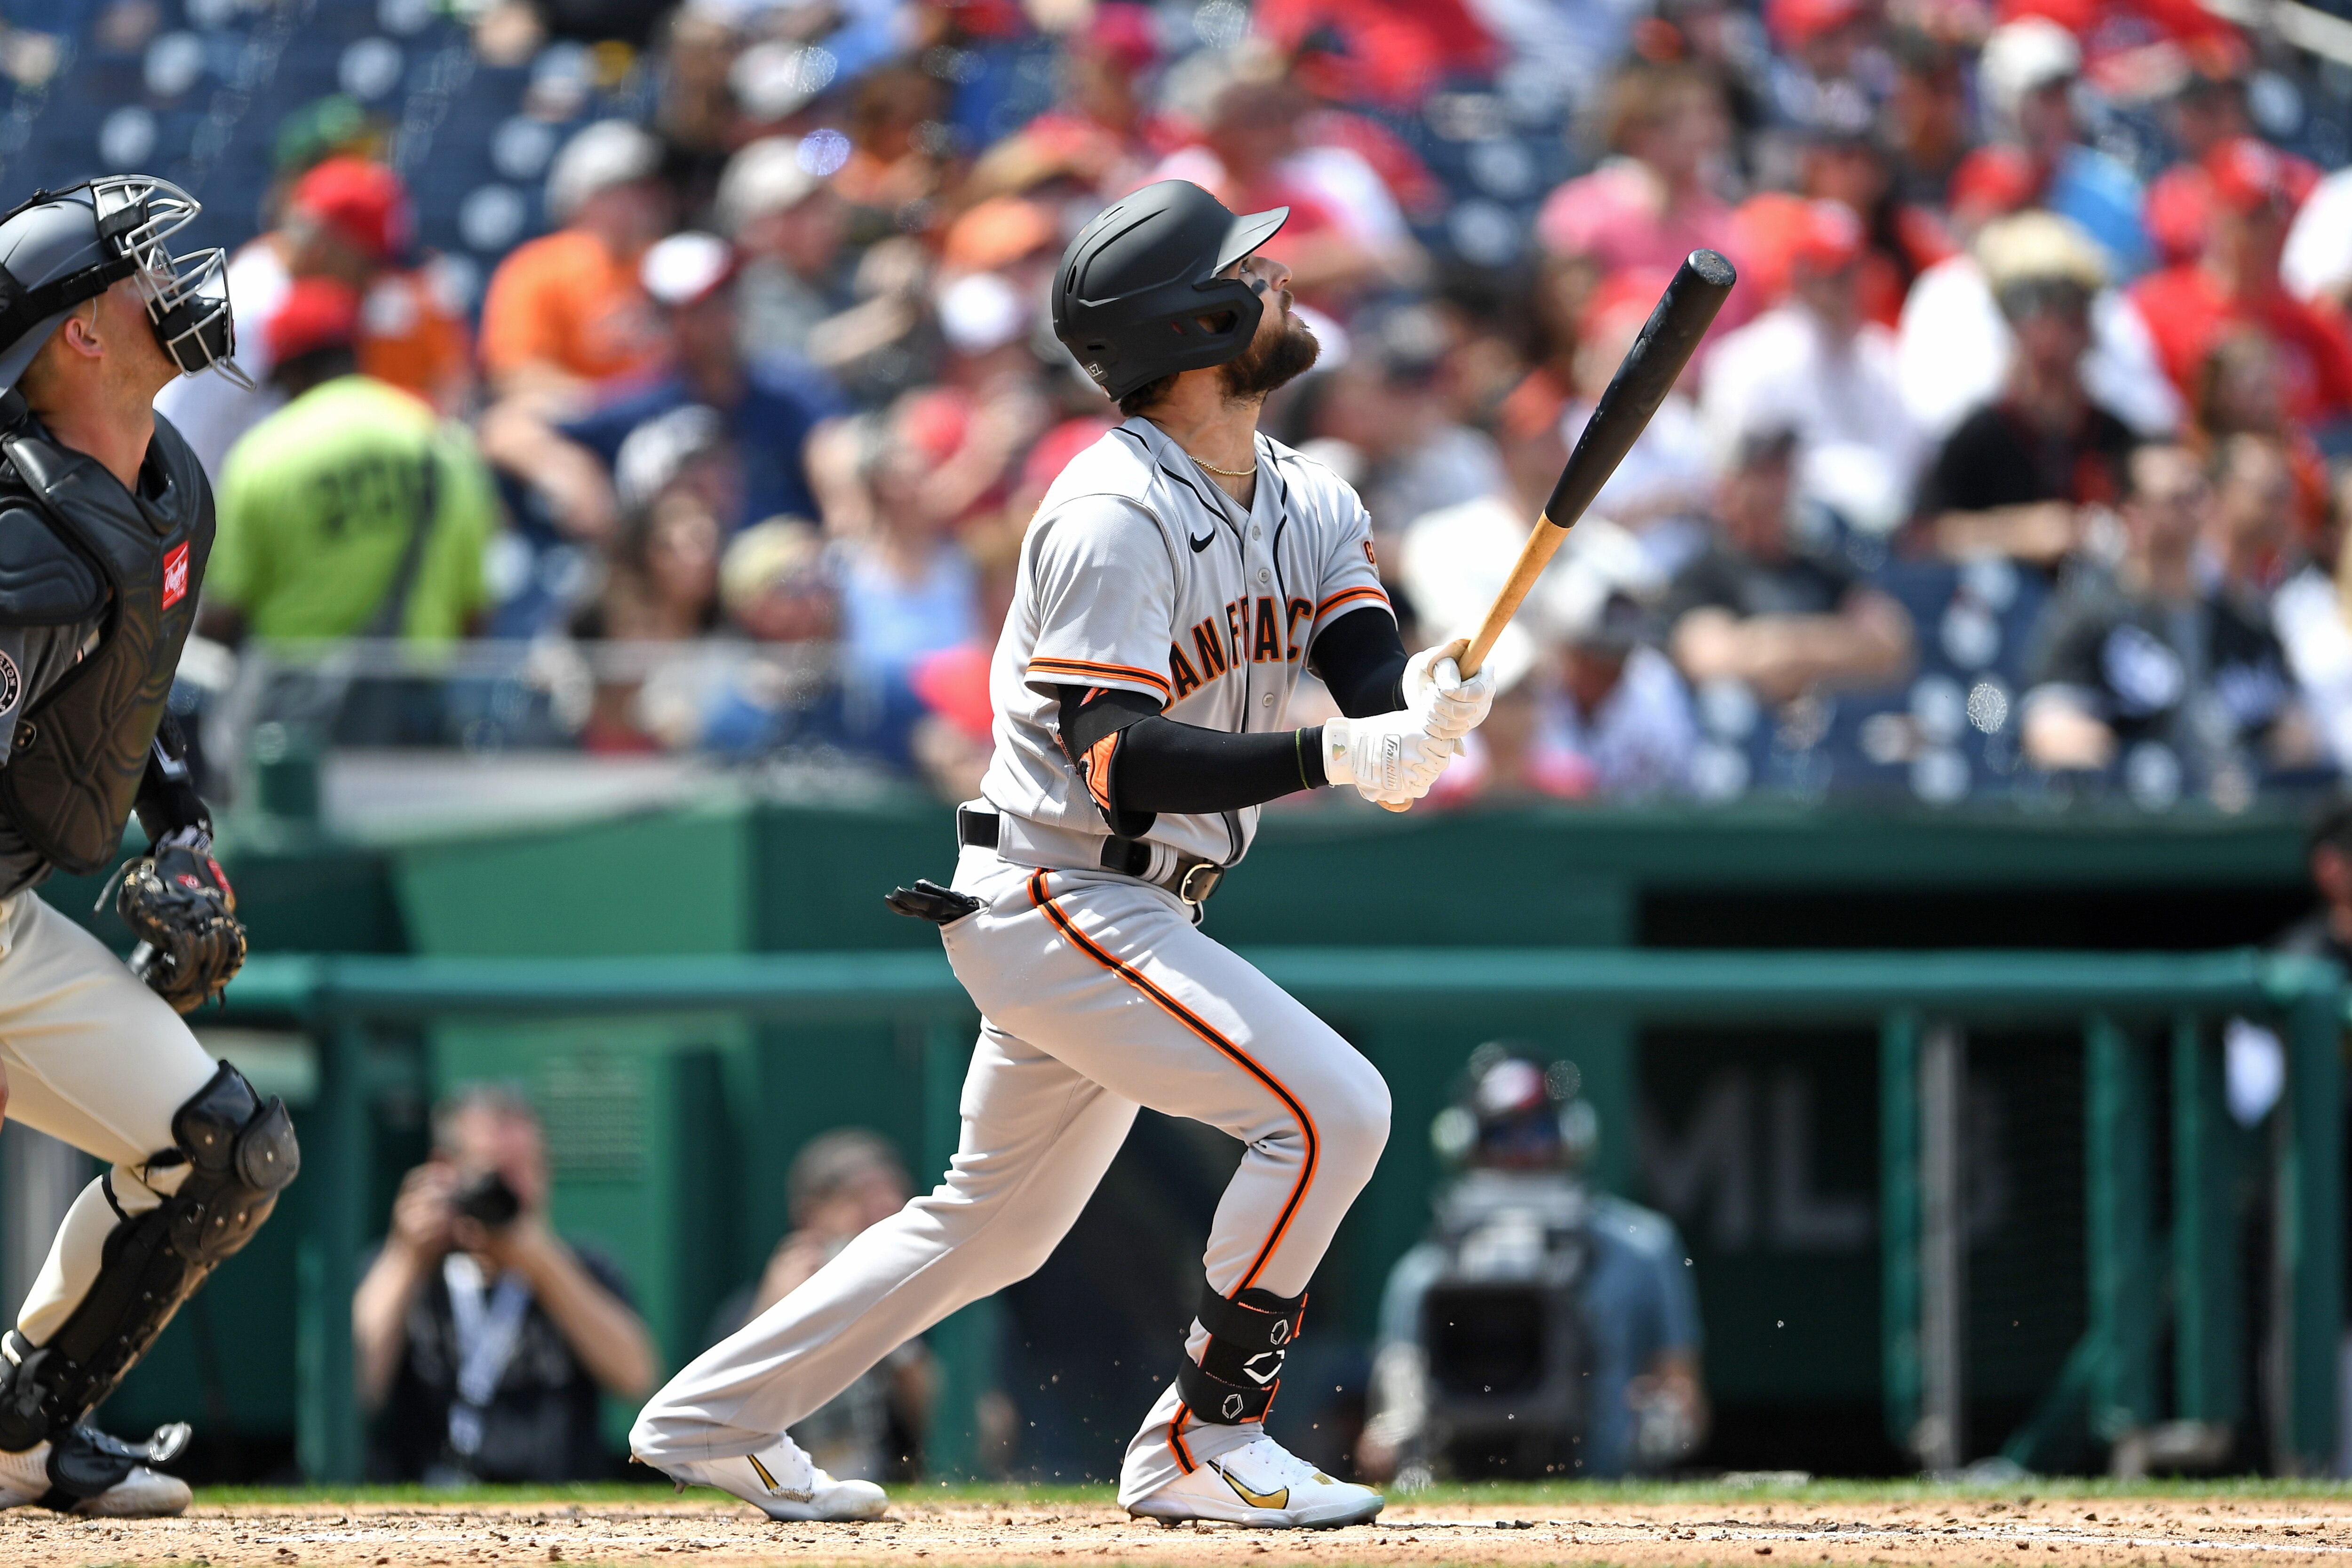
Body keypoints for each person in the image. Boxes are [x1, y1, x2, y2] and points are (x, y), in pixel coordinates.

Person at [628, 181, 1495, 1528]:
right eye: (1249, 271)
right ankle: (1206, 1440)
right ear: (1194, 320)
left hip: (1129, 907)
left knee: (993, 1223)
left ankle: (711, 1416)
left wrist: (1422, 705)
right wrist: (1341, 753)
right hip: (1063, 888)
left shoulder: (1311, 494)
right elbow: (1121, 757)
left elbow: (1369, 689)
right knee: (1335, 1107)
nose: (1281, 279)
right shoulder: (1108, 510)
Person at [0, 176, 294, 1515]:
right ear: (77, 335)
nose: (175, 280)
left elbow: (130, 691)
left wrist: (179, 829)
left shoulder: (158, 480)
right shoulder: (25, 545)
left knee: (225, 1150)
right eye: (140, 268)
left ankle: (23, 1428)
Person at [1356, 1045, 1704, 1480]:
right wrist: (1392, 1436)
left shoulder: (1642, 1247)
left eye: (1538, 1131)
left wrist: (1661, 1419)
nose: (1522, 1152)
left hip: (1607, 1480)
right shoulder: (1425, 1274)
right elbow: (1391, 1419)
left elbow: (1686, 1402)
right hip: (1466, 1486)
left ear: (1572, 1134)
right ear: (1465, 1140)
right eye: (1501, 1135)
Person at [354, 1086, 657, 1483]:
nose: (519, 1190)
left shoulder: (584, 1266)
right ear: (446, 1169)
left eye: (530, 1168)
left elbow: (638, 1377)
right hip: (428, 1508)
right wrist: (405, 1257)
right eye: (500, 1171)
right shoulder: (409, 1269)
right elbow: (354, 1391)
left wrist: (543, 1265)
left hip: (558, 1505)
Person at [197, 279, 501, 647]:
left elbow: (225, 610)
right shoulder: (444, 444)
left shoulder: (261, 456)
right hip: (419, 690)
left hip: (293, 691)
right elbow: (475, 611)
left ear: (292, 371)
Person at [482, 231, 837, 543]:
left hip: (792, 587)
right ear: (670, 320)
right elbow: (504, 428)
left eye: (729, 295)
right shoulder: (642, 402)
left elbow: (834, 444)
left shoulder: (789, 388)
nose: (724, 314)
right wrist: (567, 471)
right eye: (705, 306)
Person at [2019, 444, 2307, 783]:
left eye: (2198, 494)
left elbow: (2299, 733)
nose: (2193, 510)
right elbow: (2050, 730)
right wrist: (2139, 765)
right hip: (2137, 823)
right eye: (2175, 499)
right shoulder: (2091, 615)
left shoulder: (2245, 621)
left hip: (2238, 819)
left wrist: (2252, 766)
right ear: (2133, 515)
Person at [705, 1131, 934, 1481]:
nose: (880, 1215)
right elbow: (716, 1423)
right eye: (858, 1200)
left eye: (891, 1203)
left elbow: (979, 1433)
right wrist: (774, 1314)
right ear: (810, 1215)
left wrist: (896, 1336)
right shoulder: (755, 1304)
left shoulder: (930, 1297)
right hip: (782, 1492)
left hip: (890, 1496)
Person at [1913, 213, 2136, 568]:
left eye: (2071, 306)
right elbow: (1924, 536)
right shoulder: (1982, 435)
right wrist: (2015, 534)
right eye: (2035, 305)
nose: (2057, 327)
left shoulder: (2114, 435)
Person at [1699, 200, 1922, 534]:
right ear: (1802, 277)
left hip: (1886, 532)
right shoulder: (1750, 358)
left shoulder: (1881, 355)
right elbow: (1734, 467)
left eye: (1853, 273)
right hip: (1798, 536)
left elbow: (1910, 455)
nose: (1847, 289)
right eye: (1833, 276)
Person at [1663, 429, 1915, 703]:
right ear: (1729, 486)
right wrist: (1839, 642)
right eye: (1762, 473)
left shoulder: (1820, 565)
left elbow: (1892, 644)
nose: (1775, 488)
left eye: (1783, 471)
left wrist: (1784, 645)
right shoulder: (1704, 574)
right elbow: (1710, 660)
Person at [477, 120, 671, 404]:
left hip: (665, 418)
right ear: (582, 198)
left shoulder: (672, 264)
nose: (639, 201)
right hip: (576, 417)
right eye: (621, 190)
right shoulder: (537, 268)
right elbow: (515, 374)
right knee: (510, 429)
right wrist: (610, 406)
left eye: (644, 189)